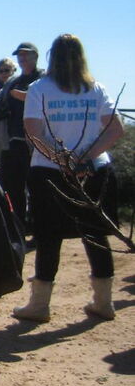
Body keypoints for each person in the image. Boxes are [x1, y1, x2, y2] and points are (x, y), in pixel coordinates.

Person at [13, 34, 124, 323]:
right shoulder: (95, 89)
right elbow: (116, 129)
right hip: (94, 170)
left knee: (49, 237)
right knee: (95, 235)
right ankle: (104, 302)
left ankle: (39, 306)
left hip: (49, 172)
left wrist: (64, 161)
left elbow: (33, 134)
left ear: (51, 57)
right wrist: (85, 158)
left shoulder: (39, 89)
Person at [0, 42, 44, 236]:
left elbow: (45, 98)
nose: (22, 58)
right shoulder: (14, 81)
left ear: (35, 56)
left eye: (26, 55)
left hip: (38, 142)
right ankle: (18, 227)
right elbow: (1, 104)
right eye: (20, 56)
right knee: (12, 186)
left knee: (37, 186)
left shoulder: (44, 78)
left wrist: (26, 96)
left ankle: (38, 228)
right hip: (14, 139)